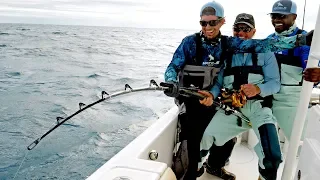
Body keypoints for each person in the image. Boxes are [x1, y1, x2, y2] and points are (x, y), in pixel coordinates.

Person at [161, 1, 312, 179]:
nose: (208, 27)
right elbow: (174, 66)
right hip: (197, 101)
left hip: (238, 105)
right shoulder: (192, 43)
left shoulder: (230, 45)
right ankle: (191, 170)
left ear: (221, 22)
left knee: (266, 153)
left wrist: (301, 40)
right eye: (204, 23)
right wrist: (171, 83)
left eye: (213, 22)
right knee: (196, 140)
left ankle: (215, 166)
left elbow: (266, 46)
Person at [198, 12, 282, 180]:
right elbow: (218, 84)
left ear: (254, 32)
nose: (241, 33)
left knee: (272, 155)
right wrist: (210, 95)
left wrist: (258, 89)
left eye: (246, 29)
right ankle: (196, 170)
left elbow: (274, 83)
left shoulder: (265, 52)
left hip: (259, 110)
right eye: (237, 28)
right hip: (232, 109)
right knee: (204, 137)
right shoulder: (227, 54)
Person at [268, 0, 312, 143]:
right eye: (274, 16)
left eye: (282, 16)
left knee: (301, 142)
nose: (276, 20)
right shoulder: (269, 40)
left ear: (294, 17)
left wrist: (315, 74)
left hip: (291, 103)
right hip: (267, 99)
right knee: (266, 149)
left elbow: (311, 67)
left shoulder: (305, 41)